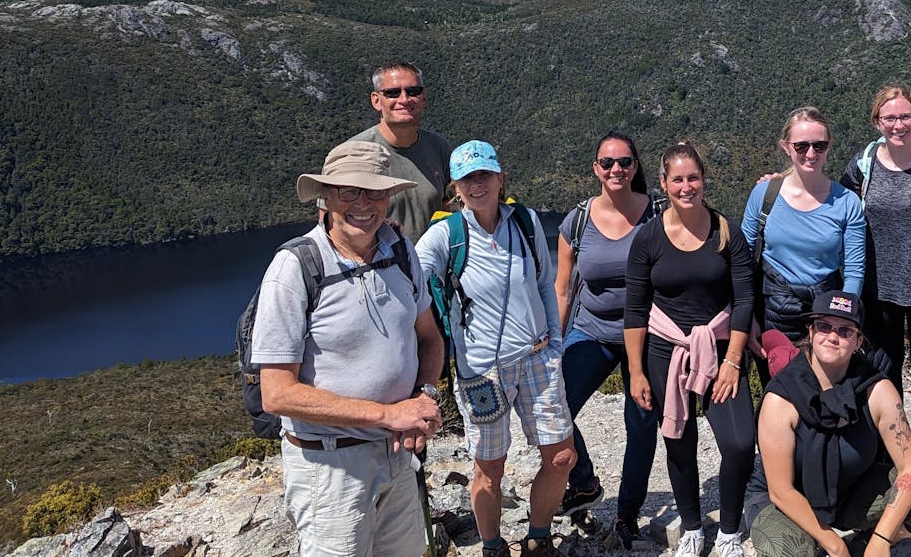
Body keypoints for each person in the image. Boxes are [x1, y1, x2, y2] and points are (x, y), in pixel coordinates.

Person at [251, 140, 444, 557]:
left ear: (389, 197)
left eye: (374, 192)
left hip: (397, 455)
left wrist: (424, 397)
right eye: (348, 191)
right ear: (327, 196)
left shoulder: (401, 252)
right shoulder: (296, 268)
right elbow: (277, 393)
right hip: (330, 467)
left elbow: (429, 337)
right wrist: (388, 414)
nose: (363, 204)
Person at [416, 141, 574, 557]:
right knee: (491, 469)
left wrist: (554, 343)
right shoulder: (446, 237)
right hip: (481, 373)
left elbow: (543, 282)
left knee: (561, 458)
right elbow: (410, 278)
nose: (478, 184)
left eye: (484, 175)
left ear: (501, 178)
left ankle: (538, 537)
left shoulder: (524, 222)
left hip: (537, 358)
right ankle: (492, 545)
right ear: (456, 187)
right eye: (468, 178)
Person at [625, 142, 757, 557]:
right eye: (677, 179)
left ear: (704, 179)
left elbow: (745, 298)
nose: (687, 187)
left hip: (720, 346)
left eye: (693, 178)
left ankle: (730, 531)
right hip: (666, 348)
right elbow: (635, 308)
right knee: (678, 436)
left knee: (738, 442)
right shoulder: (648, 238)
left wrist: (734, 361)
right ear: (663, 183)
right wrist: (636, 371)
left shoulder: (725, 230)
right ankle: (693, 527)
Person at [746, 291, 911, 557]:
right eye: (824, 326)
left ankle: (864, 546)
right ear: (810, 333)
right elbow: (781, 491)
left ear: (858, 341)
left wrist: (882, 538)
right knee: (792, 550)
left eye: (845, 330)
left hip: (847, 492)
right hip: (783, 502)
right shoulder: (781, 397)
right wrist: (834, 545)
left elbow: (910, 466)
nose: (833, 336)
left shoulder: (876, 390)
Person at [837, 85, 911, 482]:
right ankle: (894, 453)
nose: (898, 125)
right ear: (877, 122)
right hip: (878, 293)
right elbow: (830, 198)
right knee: (884, 378)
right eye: (890, 118)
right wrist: (781, 181)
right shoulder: (864, 164)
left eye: (905, 117)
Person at [552, 133, 658, 546]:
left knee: (642, 424)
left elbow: (702, 221)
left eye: (625, 162)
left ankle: (628, 514)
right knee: (556, 406)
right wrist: (556, 344)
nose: (617, 169)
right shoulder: (576, 221)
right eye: (608, 162)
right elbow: (563, 289)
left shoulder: (659, 212)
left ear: (635, 166)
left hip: (647, 336)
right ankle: (584, 484)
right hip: (591, 330)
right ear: (596, 167)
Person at [742, 107, 868, 347]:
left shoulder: (847, 202)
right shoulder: (764, 194)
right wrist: (747, 319)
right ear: (786, 147)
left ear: (829, 146)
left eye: (818, 146)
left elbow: (854, 271)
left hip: (827, 314)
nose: (811, 153)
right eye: (801, 146)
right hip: (772, 312)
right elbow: (744, 259)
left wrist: (840, 323)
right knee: (778, 382)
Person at [347, 62, 452, 242]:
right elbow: (330, 220)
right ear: (376, 100)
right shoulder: (353, 153)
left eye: (413, 91)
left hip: (434, 265)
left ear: (423, 98)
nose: (404, 99)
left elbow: (447, 207)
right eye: (392, 93)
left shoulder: (439, 148)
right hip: (380, 266)